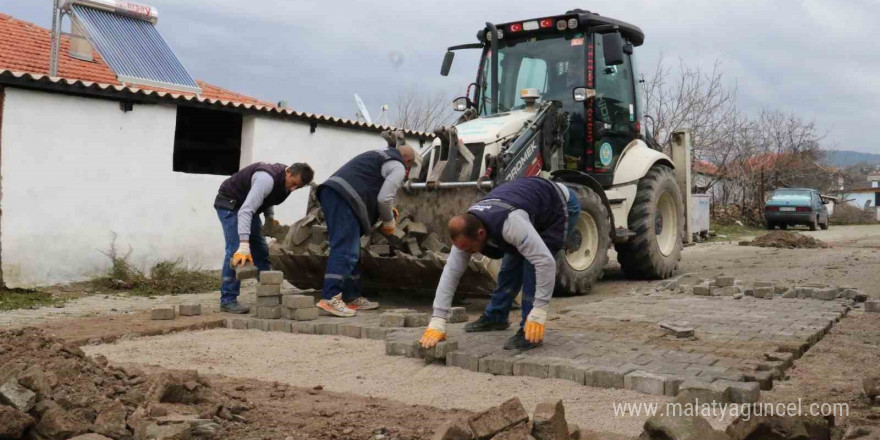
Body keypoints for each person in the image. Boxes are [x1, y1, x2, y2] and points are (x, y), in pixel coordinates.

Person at [420, 177, 581, 350]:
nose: (467, 253)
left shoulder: (510, 224)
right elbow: (451, 272)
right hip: (528, 206)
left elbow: (544, 262)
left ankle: (530, 329)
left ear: (481, 234)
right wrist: (438, 319)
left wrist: (540, 309)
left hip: (559, 205)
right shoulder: (467, 229)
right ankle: (496, 317)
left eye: (469, 248)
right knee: (510, 263)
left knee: (532, 265)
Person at [315, 145, 416, 317]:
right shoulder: (398, 166)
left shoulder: (378, 156)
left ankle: (351, 296)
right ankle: (330, 297)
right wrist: (389, 221)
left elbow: (370, 186)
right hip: (344, 198)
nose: (407, 171)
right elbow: (384, 199)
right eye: (409, 167)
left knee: (352, 250)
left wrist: (388, 210)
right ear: (407, 161)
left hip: (335, 193)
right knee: (344, 249)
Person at [215, 162, 314, 313]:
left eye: (298, 187)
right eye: (294, 183)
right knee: (236, 251)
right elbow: (245, 211)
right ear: (288, 173)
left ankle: (269, 293)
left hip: (248, 208)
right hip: (231, 203)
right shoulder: (265, 179)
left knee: (261, 250)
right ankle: (228, 300)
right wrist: (244, 244)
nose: (293, 188)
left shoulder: (286, 183)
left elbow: (269, 198)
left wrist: (269, 218)